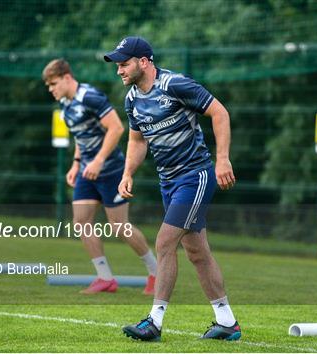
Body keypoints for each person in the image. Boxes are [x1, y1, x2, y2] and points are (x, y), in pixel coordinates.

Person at [104, 37, 241, 341]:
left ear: (144, 61)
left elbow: (220, 113)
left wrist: (222, 160)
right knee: (196, 252)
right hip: (169, 182)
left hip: (195, 175)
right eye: (117, 65)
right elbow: (137, 141)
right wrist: (128, 173)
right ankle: (227, 322)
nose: (119, 71)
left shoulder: (175, 84)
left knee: (165, 242)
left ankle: (154, 322)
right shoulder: (131, 99)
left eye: (124, 64)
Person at [42, 58, 156, 295]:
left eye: (53, 84)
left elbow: (116, 128)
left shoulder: (90, 97)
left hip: (110, 170)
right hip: (86, 171)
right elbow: (81, 138)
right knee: (81, 222)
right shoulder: (65, 103)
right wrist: (76, 164)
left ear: (66, 78)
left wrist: (99, 160)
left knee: (119, 227)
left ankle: (156, 272)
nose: (51, 89)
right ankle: (105, 278)